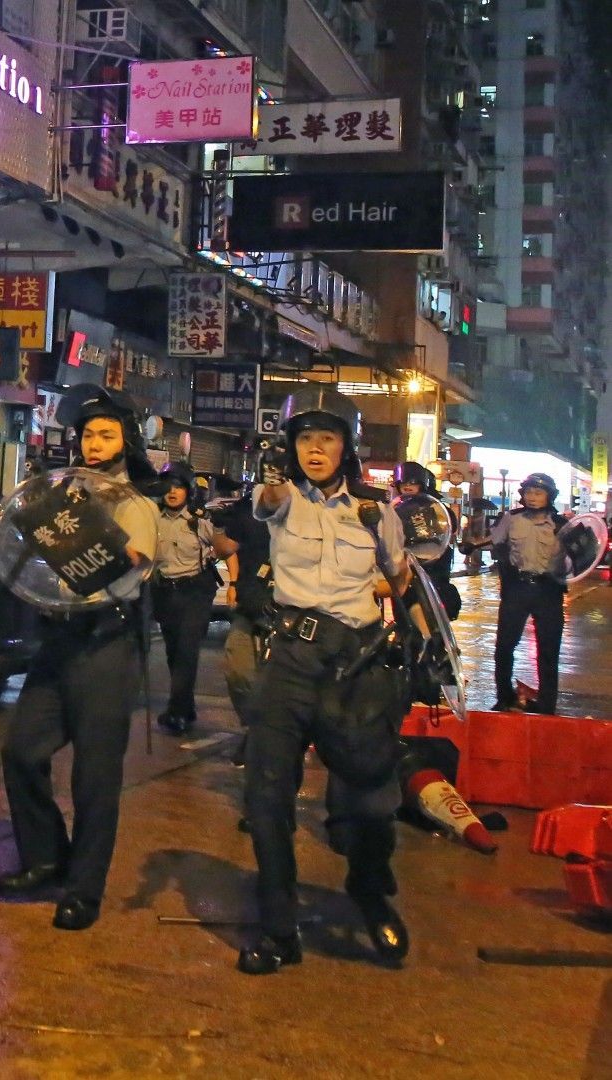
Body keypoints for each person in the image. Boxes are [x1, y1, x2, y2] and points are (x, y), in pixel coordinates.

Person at [240, 386, 412, 975]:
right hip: (289, 658)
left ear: (348, 447)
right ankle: (278, 927)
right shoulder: (282, 499)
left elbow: (402, 574)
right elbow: (264, 501)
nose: (315, 450)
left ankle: (369, 893)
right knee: (266, 797)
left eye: (327, 438)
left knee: (370, 798)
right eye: (304, 439)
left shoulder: (375, 511)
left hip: (355, 666)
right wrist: (269, 482)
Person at [0, 386, 158, 931]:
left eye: (106, 434)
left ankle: (84, 888)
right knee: (20, 750)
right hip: (58, 637)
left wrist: (111, 546)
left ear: (125, 442)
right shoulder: (56, 493)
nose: (95, 443)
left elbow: (137, 563)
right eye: (88, 434)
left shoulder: (137, 504)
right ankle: (44, 858)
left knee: (94, 776)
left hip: (107, 643)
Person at [152, 462, 236, 736]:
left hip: (195, 592)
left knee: (187, 651)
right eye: (168, 486)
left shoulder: (200, 521)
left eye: (178, 487)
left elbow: (227, 551)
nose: (173, 492)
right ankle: (185, 707)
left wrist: (233, 582)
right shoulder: (152, 519)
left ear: (188, 491)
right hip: (165, 593)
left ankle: (176, 712)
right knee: (173, 651)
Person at [491, 472, 568, 713]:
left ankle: (546, 704)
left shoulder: (562, 525)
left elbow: (580, 556)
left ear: (549, 496)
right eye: (528, 493)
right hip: (518, 588)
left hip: (549, 591)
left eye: (538, 493)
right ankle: (505, 697)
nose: (532, 497)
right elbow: (496, 545)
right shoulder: (510, 519)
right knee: (504, 645)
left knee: (548, 649)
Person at [211, 482, 273, 750]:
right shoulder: (249, 510)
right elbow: (225, 548)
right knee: (238, 668)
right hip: (252, 603)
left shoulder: (309, 509)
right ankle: (254, 728)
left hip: (293, 609)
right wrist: (216, 527)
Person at [395, 461, 462, 620]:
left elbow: (447, 531)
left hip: (434, 567)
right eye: (403, 483)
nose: (407, 487)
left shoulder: (438, 508)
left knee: (430, 611)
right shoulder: (395, 509)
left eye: (413, 483)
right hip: (404, 566)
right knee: (403, 612)